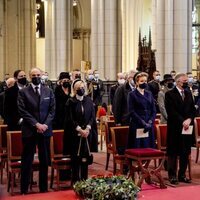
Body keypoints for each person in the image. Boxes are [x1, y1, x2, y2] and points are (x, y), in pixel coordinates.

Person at [18, 67, 55, 194]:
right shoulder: (23, 92)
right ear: (30, 76)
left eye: (38, 74)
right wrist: (36, 124)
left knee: (44, 160)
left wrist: (44, 125)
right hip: (30, 130)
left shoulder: (48, 91)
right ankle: (24, 188)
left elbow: (52, 110)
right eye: (34, 75)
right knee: (27, 160)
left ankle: (43, 188)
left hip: (45, 130)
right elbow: (23, 111)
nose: (36, 77)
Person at [63, 79, 98, 184]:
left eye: (82, 88)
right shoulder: (70, 101)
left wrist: (87, 128)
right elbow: (70, 118)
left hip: (87, 134)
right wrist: (79, 129)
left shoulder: (88, 101)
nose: (81, 90)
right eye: (78, 88)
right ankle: (75, 182)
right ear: (74, 89)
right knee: (75, 159)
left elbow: (92, 116)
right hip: (74, 134)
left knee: (85, 159)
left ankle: (84, 181)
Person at [165, 73, 196, 185]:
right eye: (184, 81)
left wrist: (189, 120)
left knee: (185, 151)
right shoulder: (169, 94)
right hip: (175, 127)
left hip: (187, 127)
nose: (186, 83)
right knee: (173, 152)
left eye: (187, 81)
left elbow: (193, 110)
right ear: (178, 82)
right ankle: (172, 175)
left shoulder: (188, 93)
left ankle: (182, 174)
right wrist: (182, 121)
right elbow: (171, 111)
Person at [127, 72, 156, 149]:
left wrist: (150, 121)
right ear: (137, 82)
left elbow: (153, 110)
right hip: (138, 124)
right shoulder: (132, 94)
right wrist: (142, 123)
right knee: (138, 148)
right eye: (142, 81)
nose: (144, 83)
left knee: (149, 148)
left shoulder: (149, 93)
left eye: (145, 81)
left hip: (149, 125)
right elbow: (131, 111)